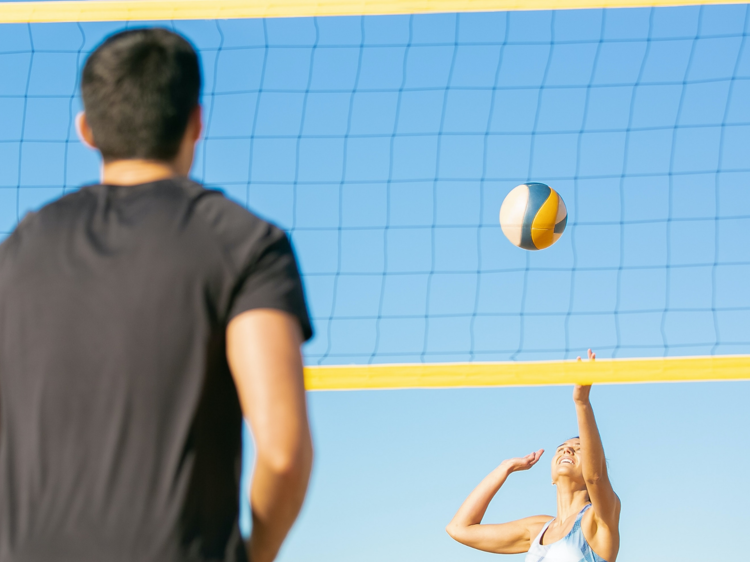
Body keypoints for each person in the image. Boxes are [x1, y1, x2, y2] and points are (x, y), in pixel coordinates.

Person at [0, 28, 313, 562]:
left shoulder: (17, 250)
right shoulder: (245, 241)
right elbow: (283, 455)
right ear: (196, 121)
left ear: (86, 130)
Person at [446, 350, 620, 562]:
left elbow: (596, 477)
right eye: (562, 447)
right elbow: (459, 528)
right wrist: (505, 468)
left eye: (579, 448)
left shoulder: (599, 518)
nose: (567, 450)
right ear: (551, 477)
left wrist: (582, 402)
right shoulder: (537, 529)